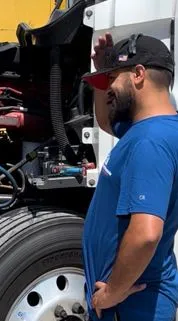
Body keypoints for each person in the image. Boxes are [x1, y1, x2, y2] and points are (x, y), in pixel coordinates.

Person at [81, 33, 178, 321]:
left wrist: (113, 292)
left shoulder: (151, 141)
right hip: (127, 304)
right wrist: (101, 73)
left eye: (114, 78)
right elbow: (106, 121)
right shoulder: (149, 129)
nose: (109, 86)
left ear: (138, 74)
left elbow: (146, 234)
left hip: (134, 306)